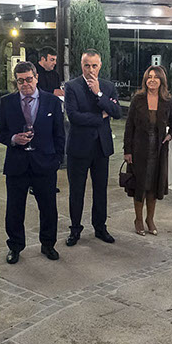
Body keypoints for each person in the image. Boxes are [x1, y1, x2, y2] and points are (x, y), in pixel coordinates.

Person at [0, 61, 65, 264]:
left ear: (36, 78)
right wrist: (13, 139)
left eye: (28, 79)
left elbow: (59, 133)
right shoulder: (7, 102)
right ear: (16, 82)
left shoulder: (52, 101)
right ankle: (15, 246)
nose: (25, 84)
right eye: (20, 81)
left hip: (45, 163)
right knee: (15, 209)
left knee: (48, 207)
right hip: (17, 163)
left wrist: (57, 160)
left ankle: (48, 244)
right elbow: (0, 132)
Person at [64, 49, 122, 245]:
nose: (90, 70)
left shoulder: (108, 86)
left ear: (100, 66)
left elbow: (117, 112)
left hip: (101, 147)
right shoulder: (72, 86)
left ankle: (100, 227)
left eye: (94, 66)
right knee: (76, 191)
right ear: (81, 65)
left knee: (100, 191)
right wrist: (100, 116)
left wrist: (99, 93)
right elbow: (74, 117)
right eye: (87, 65)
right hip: (78, 148)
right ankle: (75, 229)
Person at [124, 66, 172, 234]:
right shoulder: (137, 99)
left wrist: (170, 135)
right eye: (149, 77)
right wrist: (127, 151)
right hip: (139, 150)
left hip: (158, 150)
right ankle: (138, 219)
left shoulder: (167, 101)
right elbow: (129, 126)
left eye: (156, 77)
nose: (152, 80)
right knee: (139, 185)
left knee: (153, 185)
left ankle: (150, 219)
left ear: (162, 80)